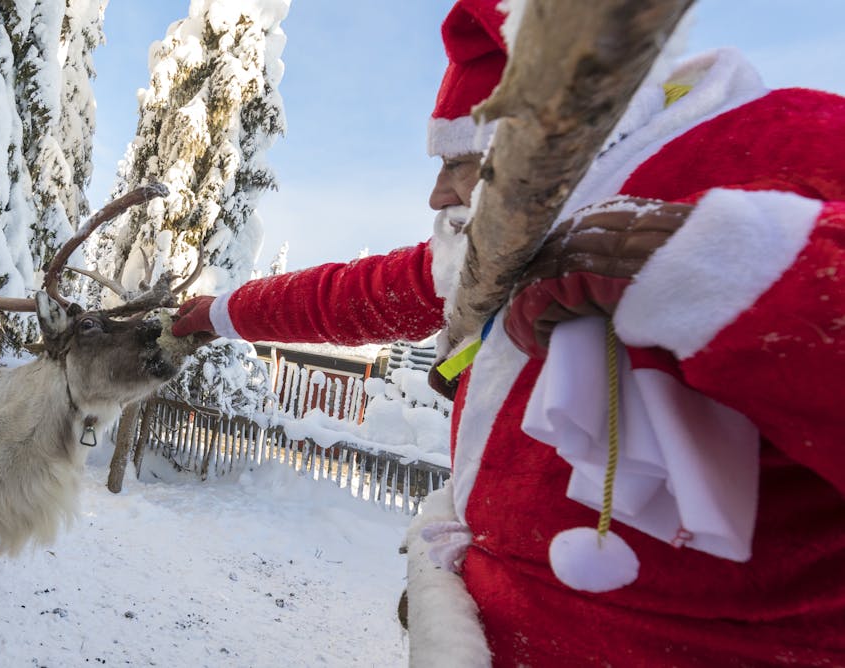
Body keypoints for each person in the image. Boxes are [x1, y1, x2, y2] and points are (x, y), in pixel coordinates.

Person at [171, 1, 845, 664]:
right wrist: (207, 315)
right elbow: (347, 296)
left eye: (458, 161)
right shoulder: (493, 257)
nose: (437, 196)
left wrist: (716, 268)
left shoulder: (786, 142)